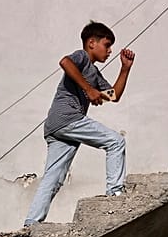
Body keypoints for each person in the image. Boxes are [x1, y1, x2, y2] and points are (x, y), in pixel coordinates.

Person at [24, 21, 135, 226]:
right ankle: (115, 193)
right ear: (91, 43)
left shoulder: (94, 73)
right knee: (115, 141)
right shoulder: (82, 58)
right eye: (106, 44)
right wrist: (88, 89)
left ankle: (32, 222)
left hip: (56, 127)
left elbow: (114, 95)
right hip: (68, 118)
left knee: (53, 178)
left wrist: (125, 69)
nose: (109, 50)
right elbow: (65, 62)